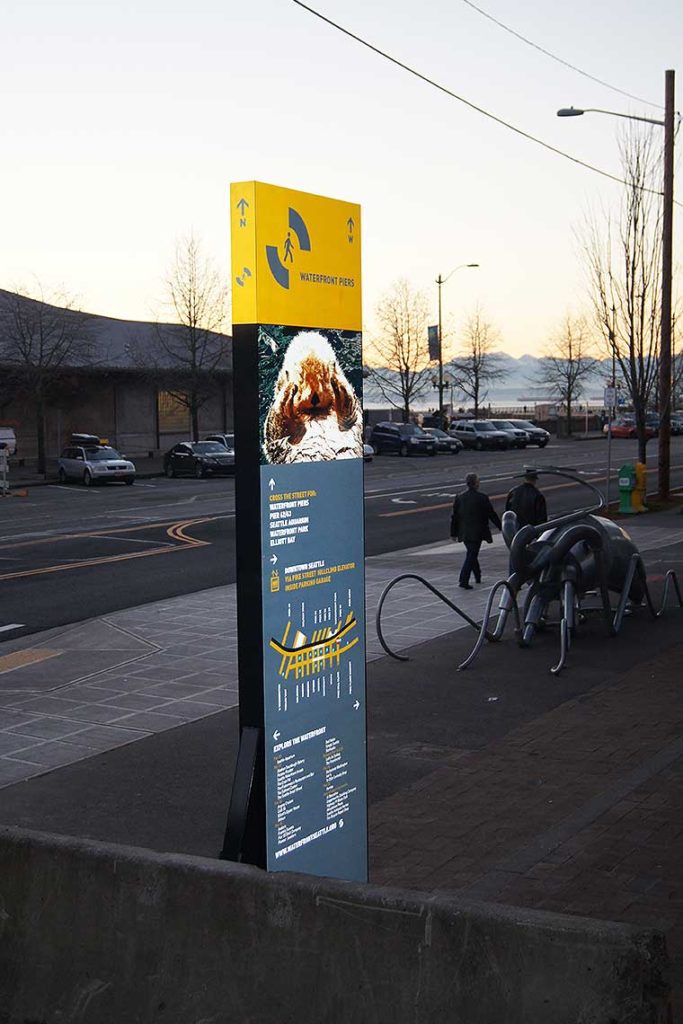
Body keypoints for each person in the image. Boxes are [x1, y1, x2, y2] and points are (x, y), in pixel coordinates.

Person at [450, 473, 501, 589]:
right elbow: (491, 514)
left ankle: (478, 575)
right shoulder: (482, 497)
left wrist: (453, 532)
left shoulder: (460, 497)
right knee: (472, 554)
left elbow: (455, 516)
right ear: (476, 483)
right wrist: (501, 526)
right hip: (477, 532)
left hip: (463, 531)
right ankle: (463, 579)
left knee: (471, 553)